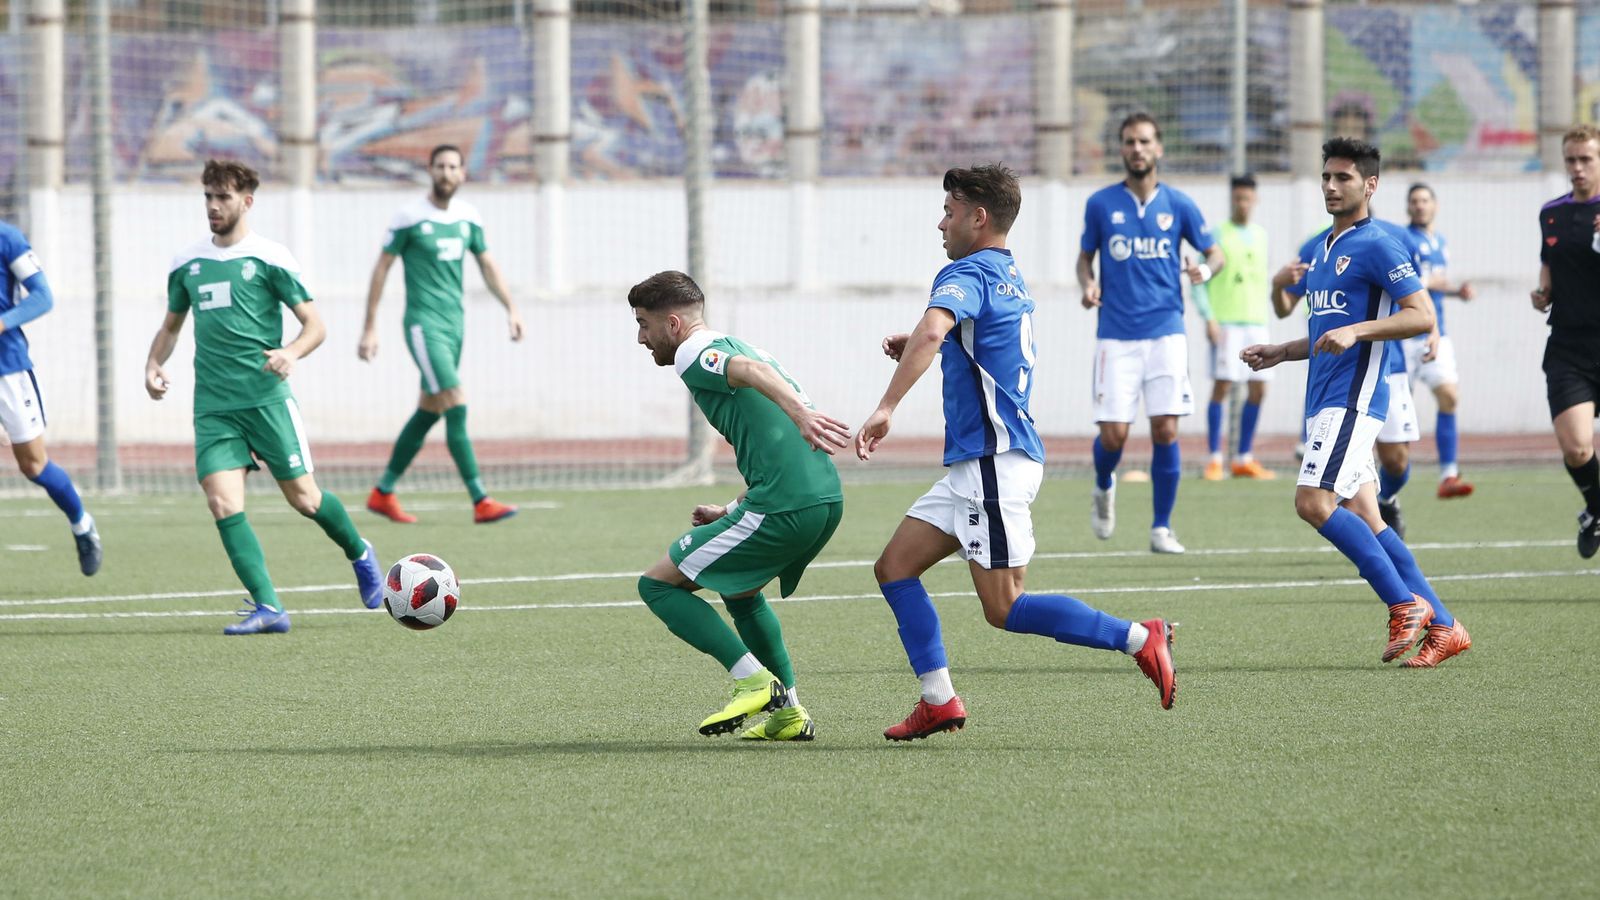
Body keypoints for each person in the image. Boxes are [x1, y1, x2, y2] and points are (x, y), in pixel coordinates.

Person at [857, 164, 1176, 742]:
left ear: (979, 218)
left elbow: (933, 331)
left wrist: (886, 406)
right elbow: (962, 338)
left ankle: (1138, 636)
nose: (941, 223)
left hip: (991, 463)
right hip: (979, 465)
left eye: (950, 212)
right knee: (895, 568)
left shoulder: (967, 271)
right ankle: (938, 700)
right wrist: (937, 340)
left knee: (1005, 607)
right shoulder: (1006, 274)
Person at [1242, 138, 1470, 668]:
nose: (1329, 185)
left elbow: (1420, 315)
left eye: (1342, 177)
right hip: (1323, 397)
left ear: (1369, 186)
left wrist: (1360, 330)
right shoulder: (1321, 248)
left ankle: (1402, 604)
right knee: (1368, 517)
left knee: (1312, 503)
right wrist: (1282, 350)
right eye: (1325, 177)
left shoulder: (1379, 243)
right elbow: (1325, 331)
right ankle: (1444, 625)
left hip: (1353, 399)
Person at [145, 160, 384, 635]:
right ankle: (269, 607)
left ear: (246, 201)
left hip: (267, 401)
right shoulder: (187, 263)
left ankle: (359, 551)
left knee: (305, 499)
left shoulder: (271, 258)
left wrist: (291, 352)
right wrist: (154, 364)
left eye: (224, 198)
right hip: (214, 406)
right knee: (222, 503)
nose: (213, 206)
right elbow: (172, 326)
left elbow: (315, 326)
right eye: (208, 197)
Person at [628, 270, 849, 741]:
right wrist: (732, 509)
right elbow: (773, 435)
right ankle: (788, 715)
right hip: (822, 499)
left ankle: (753, 681)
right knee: (741, 592)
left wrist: (801, 414)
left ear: (672, 323)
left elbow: (752, 376)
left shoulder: (692, 350)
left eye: (644, 324)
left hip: (786, 505)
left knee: (657, 585)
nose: (641, 338)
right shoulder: (745, 345)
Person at [1077, 112, 1225, 553]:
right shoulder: (1101, 204)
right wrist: (1087, 283)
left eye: (1144, 141)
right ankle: (1104, 484)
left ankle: (1161, 527)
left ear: (1158, 149)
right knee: (1114, 436)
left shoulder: (1179, 205)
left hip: (1166, 332)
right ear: (1121, 150)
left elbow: (1215, 255)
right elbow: (1085, 258)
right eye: (1129, 142)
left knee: (1166, 430)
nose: (1137, 149)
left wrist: (1203, 269)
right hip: (1116, 335)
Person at [359, 144, 523, 525]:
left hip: (455, 327)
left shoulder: (469, 217)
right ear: (429, 171)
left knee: (430, 409)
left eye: (453, 166)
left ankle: (383, 492)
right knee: (456, 400)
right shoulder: (408, 218)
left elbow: (487, 263)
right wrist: (370, 326)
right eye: (440, 166)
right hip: (422, 325)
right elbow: (381, 269)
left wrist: (511, 308)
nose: (447, 172)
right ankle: (480, 499)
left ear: (463, 174)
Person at [0, 218, 101, 575]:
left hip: (7, 368)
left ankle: (81, 523)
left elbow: (42, 296)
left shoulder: (7, 237)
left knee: (33, 465)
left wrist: (2, 322)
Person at [1532, 124, 1600, 558]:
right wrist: (1542, 293)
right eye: (1571, 160)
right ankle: (1595, 508)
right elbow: (1548, 264)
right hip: (1569, 347)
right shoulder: (1552, 213)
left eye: (1586, 159)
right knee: (1577, 448)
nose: (1577, 168)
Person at [1193, 174, 1275, 481]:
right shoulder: (1217, 235)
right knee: (1223, 385)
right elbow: (1199, 282)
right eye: (1237, 198)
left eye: (1247, 198)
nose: (1242, 203)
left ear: (1255, 200)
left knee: (1259, 387)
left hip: (1256, 321)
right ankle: (1215, 458)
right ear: (1231, 199)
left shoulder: (1262, 235)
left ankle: (1243, 457)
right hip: (1226, 322)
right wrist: (1209, 317)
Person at [1402, 184, 1476, 499]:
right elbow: (1398, 281)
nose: (1420, 206)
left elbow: (1434, 286)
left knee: (1449, 396)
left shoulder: (1440, 242)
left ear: (1435, 205)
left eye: (1425, 200)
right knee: (1397, 412)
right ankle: (1386, 478)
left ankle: (1448, 475)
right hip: (1402, 336)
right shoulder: (1402, 239)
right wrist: (1427, 281)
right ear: (1408, 207)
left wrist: (1456, 292)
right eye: (1414, 201)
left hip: (1436, 333)